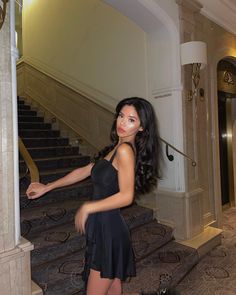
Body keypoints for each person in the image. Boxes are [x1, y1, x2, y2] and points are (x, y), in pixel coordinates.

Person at [26, 97, 163, 295]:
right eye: (121, 116)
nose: (123, 122)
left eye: (131, 120)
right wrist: (47, 187)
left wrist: (88, 207)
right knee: (114, 287)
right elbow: (84, 171)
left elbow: (126, 196)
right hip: (104, 226)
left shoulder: (124, 151)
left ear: (142, 127)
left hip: (108, 230)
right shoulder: (115, 148)